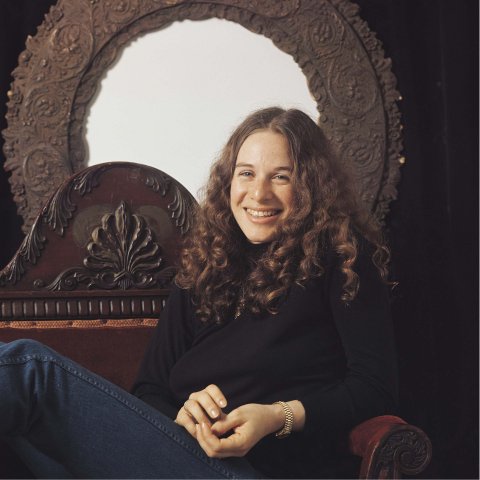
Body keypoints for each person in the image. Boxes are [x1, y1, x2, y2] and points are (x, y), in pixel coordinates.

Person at [0, 107, 397, 479]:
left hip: (252, 470)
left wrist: (277, 417)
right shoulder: (207, 262)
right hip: (179, 457)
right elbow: (150, 390)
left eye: (281, 176)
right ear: (229, 181)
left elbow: (375, 388)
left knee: (31, 371)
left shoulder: (344, 258)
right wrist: (182, 417)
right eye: (246, 173)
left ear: (311, 186)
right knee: (26, 427)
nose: (259, 194)